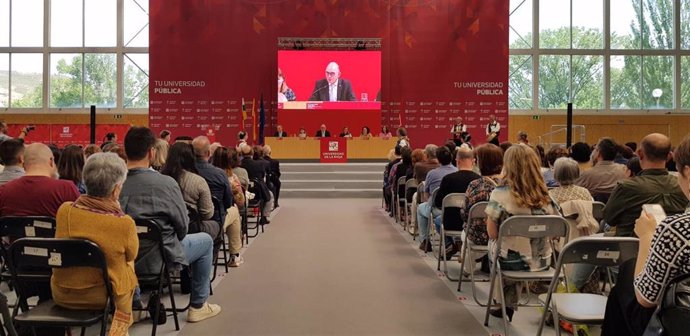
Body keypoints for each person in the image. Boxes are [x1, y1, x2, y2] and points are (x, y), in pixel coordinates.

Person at [118, 127, 221, 323]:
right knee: (206, 240)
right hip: (161, 258)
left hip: (122, 261)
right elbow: (183, 227)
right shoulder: (166, 184)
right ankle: (198, 306)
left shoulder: (114, 183)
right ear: (151, 152)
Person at [601, 135, 690, 335]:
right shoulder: (676, 189)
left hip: (673, 311)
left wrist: (648, 235)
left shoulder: (676, 228)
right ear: (668, 156)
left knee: (626, 274)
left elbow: (645, 298)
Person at [51, 153, 138, 335]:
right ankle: (120, 329)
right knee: (127, 266)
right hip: (102, 297)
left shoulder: (64, 211)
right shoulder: (124, 223)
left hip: (62, 292)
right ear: (116, 190)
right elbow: (132, 255)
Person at [485, 144, 559, 321]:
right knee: (518, 246)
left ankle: (503, 302)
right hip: (543, 262)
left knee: (498, 245)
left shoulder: (499, 194)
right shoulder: (548, 197)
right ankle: (508, 302)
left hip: (510, 262)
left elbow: (492, 233)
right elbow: (556, 233)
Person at [604, 133, 687, 237]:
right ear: (670, 156)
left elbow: (609, 219)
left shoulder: (625, 187)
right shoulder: (683, 185)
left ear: (640, 154)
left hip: (630, 250)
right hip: (673, 248)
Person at [161, 142, 218, 240]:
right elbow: (207, 213)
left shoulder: (160, 179)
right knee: (216, 226)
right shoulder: (198, 181)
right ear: (191, 158)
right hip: (192, 227)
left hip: (164, 228)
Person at [433, 145, 481, 258]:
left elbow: (438, 202)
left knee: (438, 220)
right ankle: (458, 243)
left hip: (451, 222)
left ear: (457, 161)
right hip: (472, 224)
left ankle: (450, 243)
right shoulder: (479, 180)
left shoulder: (448, 179)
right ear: (473, 161)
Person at [416, 146, 457, 252]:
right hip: (456, 209)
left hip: (437, 209)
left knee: (420, 208)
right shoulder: (457, 171)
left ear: (438, 159)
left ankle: (425, 241)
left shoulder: (432, 174)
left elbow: (426, 196)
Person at [210, 147, 245, 267]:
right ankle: (235, 255)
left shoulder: (197, 174)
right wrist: (235, 190)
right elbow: (241, 203)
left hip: (197, 217)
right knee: (235, 211)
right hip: (217, 217)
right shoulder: (231, 178)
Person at [464, 144, 503, 247]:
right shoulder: (508, 185)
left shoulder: (474, 185)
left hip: (478, 237)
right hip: (502, 235)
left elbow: (465, 214)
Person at [192, 136, 233, 232]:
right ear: (209, 153)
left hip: (191, 221)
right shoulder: (220, 174)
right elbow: (228, 202)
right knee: (234, 213)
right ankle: (236, 246)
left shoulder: (184, 173)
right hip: (215, 219)